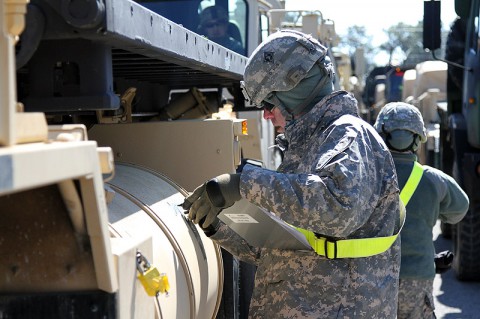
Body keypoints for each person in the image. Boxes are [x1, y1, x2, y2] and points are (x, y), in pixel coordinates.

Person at [183, 30, 401, 318]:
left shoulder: (348, 134)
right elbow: (277, 247)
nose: (266, 116)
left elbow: (338, 208)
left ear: (295, 89)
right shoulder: (310, 144)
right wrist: (217, 227)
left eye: (269, 104)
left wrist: (243, 184)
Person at [373, 102, 469, 319]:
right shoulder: (434, 179)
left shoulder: (366, 177)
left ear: (380, 136)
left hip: (370, 277)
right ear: (418, 139)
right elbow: (460, 209)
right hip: (416, 277)